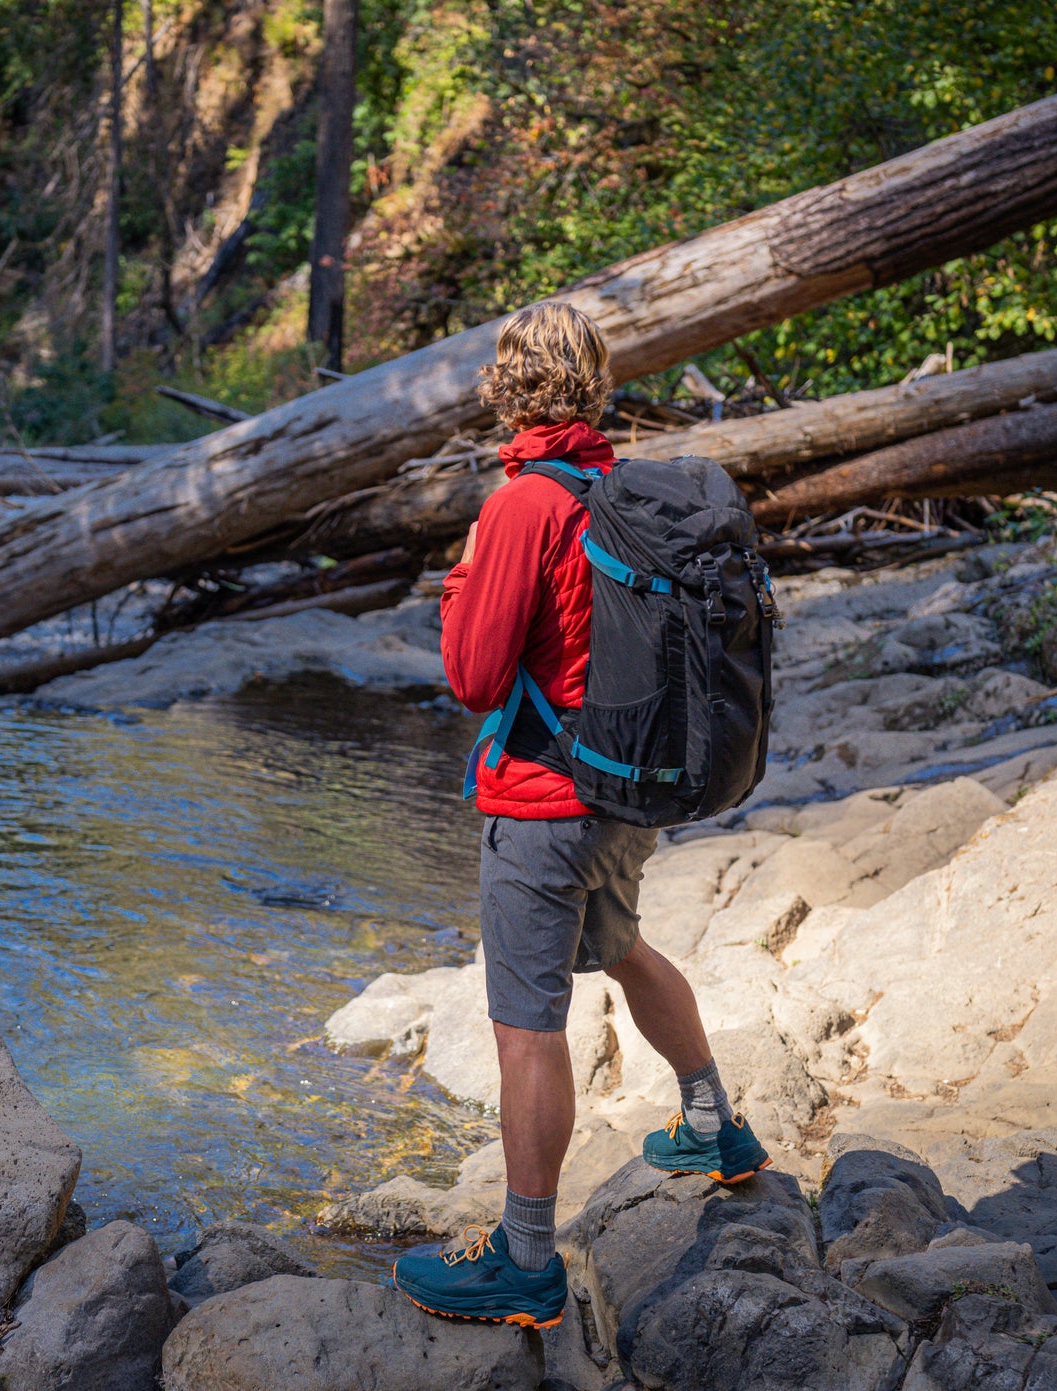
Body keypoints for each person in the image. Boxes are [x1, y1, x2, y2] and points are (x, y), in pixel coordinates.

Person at [391, 302, 771, 1330]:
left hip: (544, 803)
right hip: (621, 791)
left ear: (504, 386)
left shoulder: (523, 504)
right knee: (624, 946)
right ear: (594, 384)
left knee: (525, 1030)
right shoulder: (617, 488)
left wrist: (462, 576)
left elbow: (473, 677)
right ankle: (713, 1124)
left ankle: (523, 1261)